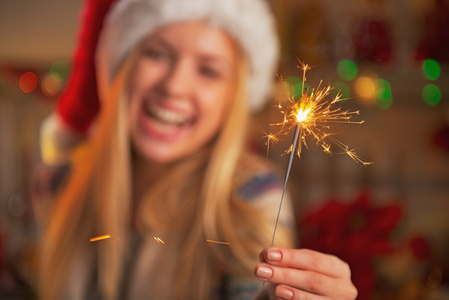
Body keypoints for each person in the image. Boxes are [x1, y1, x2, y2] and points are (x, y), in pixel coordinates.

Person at [33, 0, 358, 299]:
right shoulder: (58, 184)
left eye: (208, 70)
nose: (174, 85)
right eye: (157, 54)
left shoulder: (251, 195)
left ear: (233, 98)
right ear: (121, 68)